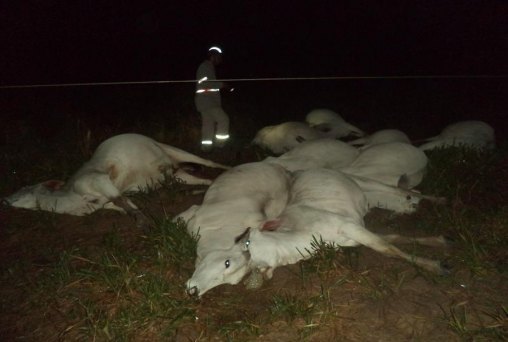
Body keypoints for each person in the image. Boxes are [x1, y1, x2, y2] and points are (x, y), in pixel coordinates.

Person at [194, 46, 230, 152]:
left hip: (206, 101)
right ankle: (220, 144)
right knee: (223, 119)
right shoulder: (204, 67)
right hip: (206, 101)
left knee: (208, 125)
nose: (220, 59)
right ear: (212, 56)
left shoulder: (209, 68)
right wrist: (222, 84)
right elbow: (205, 83)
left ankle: (206, 148)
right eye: (218, 57)